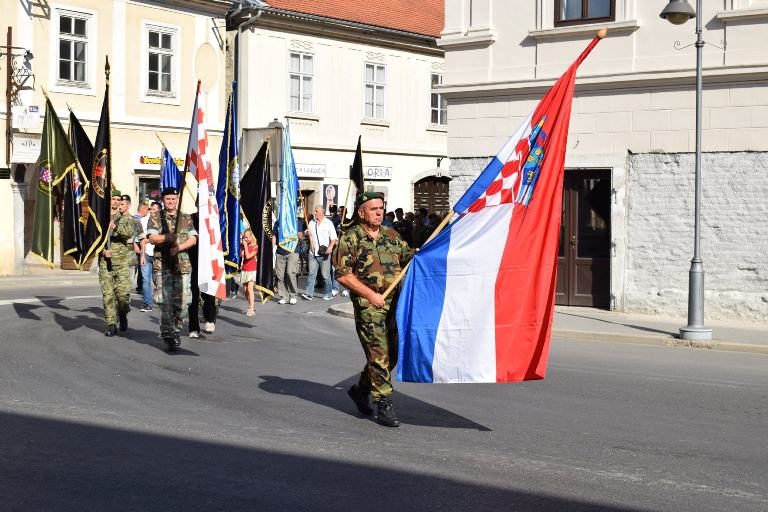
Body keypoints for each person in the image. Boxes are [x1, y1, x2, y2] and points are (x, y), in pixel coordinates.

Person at [334, 191, 413, 428]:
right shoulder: (351, 238)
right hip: (370, 307)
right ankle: (383, 402)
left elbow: (410, 258)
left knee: (393, 355)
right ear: (361, 213)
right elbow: (343, 275)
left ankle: (360, 390)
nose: (379, 212)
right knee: (379, 354)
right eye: (373, 209)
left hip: (394, 305)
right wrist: (370, 295)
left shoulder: (391, 235)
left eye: (381, 208)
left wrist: (426, 252)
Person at [146, 187, 198, 351]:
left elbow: (194, 239)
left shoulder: (185, 217)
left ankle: (175, 328)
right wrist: (167, 237)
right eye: (167, 199)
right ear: (163, 200)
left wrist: (179, 247)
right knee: (165, 302)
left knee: (183, 303)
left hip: (182, 265)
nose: (170, 201)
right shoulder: (156, 217)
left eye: (173, 199)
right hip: (163, 266)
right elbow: (152, 238)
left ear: (177, 199)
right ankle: (169, 333)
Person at [99, 189, 136, 336]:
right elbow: (94, 240)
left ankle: (122, 314)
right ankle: (111, 324)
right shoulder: (100, 218)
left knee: (123, 296)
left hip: (121, 262)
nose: (115, 202)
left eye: (118, 200)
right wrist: (103, 251)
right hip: (105, 262)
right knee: (108, 295)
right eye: (113, 199)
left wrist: (115, 226)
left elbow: (128, 233)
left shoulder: (126, 218)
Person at [187, 212, 218, 338]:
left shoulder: (211, 220)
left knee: (208, 293)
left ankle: (210, 319)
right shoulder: (189, 218)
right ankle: (193, 327)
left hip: (207, 263)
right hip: (192, 263)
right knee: (192, 296)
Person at [302, 205, 337, 301]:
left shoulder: (328, 223)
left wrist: (330, 248)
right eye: (315, 211)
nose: (315, 212)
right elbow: (307, 232)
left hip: (324, 253)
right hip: (313, 253)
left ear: (322, 212)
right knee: (312, 274)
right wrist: (306, 233)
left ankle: (328, 293)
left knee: (325, 275)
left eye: (316, 211)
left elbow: (334, 238)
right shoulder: (312, 222)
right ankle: (309, 294)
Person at [272, 218, 304, 305]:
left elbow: (301, 236)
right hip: (280, 252)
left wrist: (300, 234)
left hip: (293, 251)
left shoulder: (297, 221)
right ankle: (284, 297)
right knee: (280, 275)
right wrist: (271, 247)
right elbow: (274, 235)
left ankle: (293, 295)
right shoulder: (278, 222)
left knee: (290, 273)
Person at [139, 201, 160, 312]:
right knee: (145, 280)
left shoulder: (163, 221)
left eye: (155, 210)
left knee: (158, 280)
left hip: (159, 255)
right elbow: (142, 240)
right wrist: (142, 254)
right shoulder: (143, 221)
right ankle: (148, 303)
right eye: (151, 209)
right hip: (146, 254)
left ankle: (163, 301)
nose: (152, 212)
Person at [240, 229, 258, 316]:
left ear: (251, 236)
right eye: (244, 237)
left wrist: (245, 246)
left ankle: (251, 309)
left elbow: (248, 256)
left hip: (252, 270)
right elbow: (241, 255)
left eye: (247, 237)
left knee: (250, 289)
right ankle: (251, 305)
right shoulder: (244, 245)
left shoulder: (255, 247)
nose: (245, 239)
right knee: (245, 290)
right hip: (244, 269)